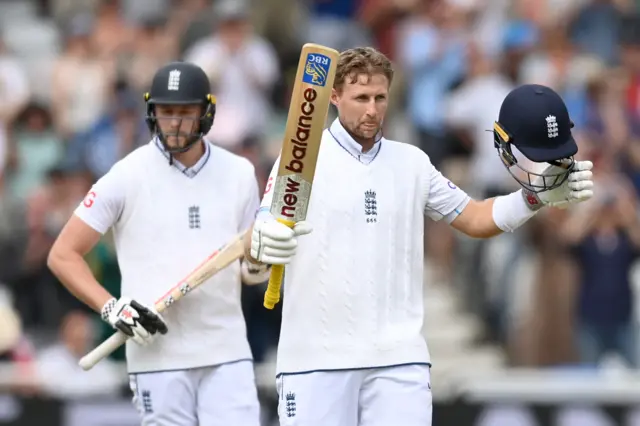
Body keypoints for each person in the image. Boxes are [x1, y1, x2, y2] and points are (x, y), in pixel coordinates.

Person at [245, 47, 594, 426]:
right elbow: (263, 238)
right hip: (315, 360)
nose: (373, 110)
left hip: (399, 360)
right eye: (361, 98)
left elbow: (474, 218)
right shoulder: (300, 159)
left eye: (380, 98)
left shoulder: (412, 162)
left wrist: (533, 197)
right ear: (335, 97)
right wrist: (261, 240)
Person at [47, 61, 268, 426]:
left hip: (226, 349)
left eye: (186, 112)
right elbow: (62, 255)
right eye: (167, 112)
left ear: (206, 112)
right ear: (152, 112)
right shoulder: (126, 176)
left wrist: (262, 262)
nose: (175, 122)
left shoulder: (240, 174)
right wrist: (111, 308)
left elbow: (247, 268)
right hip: (157, 357)